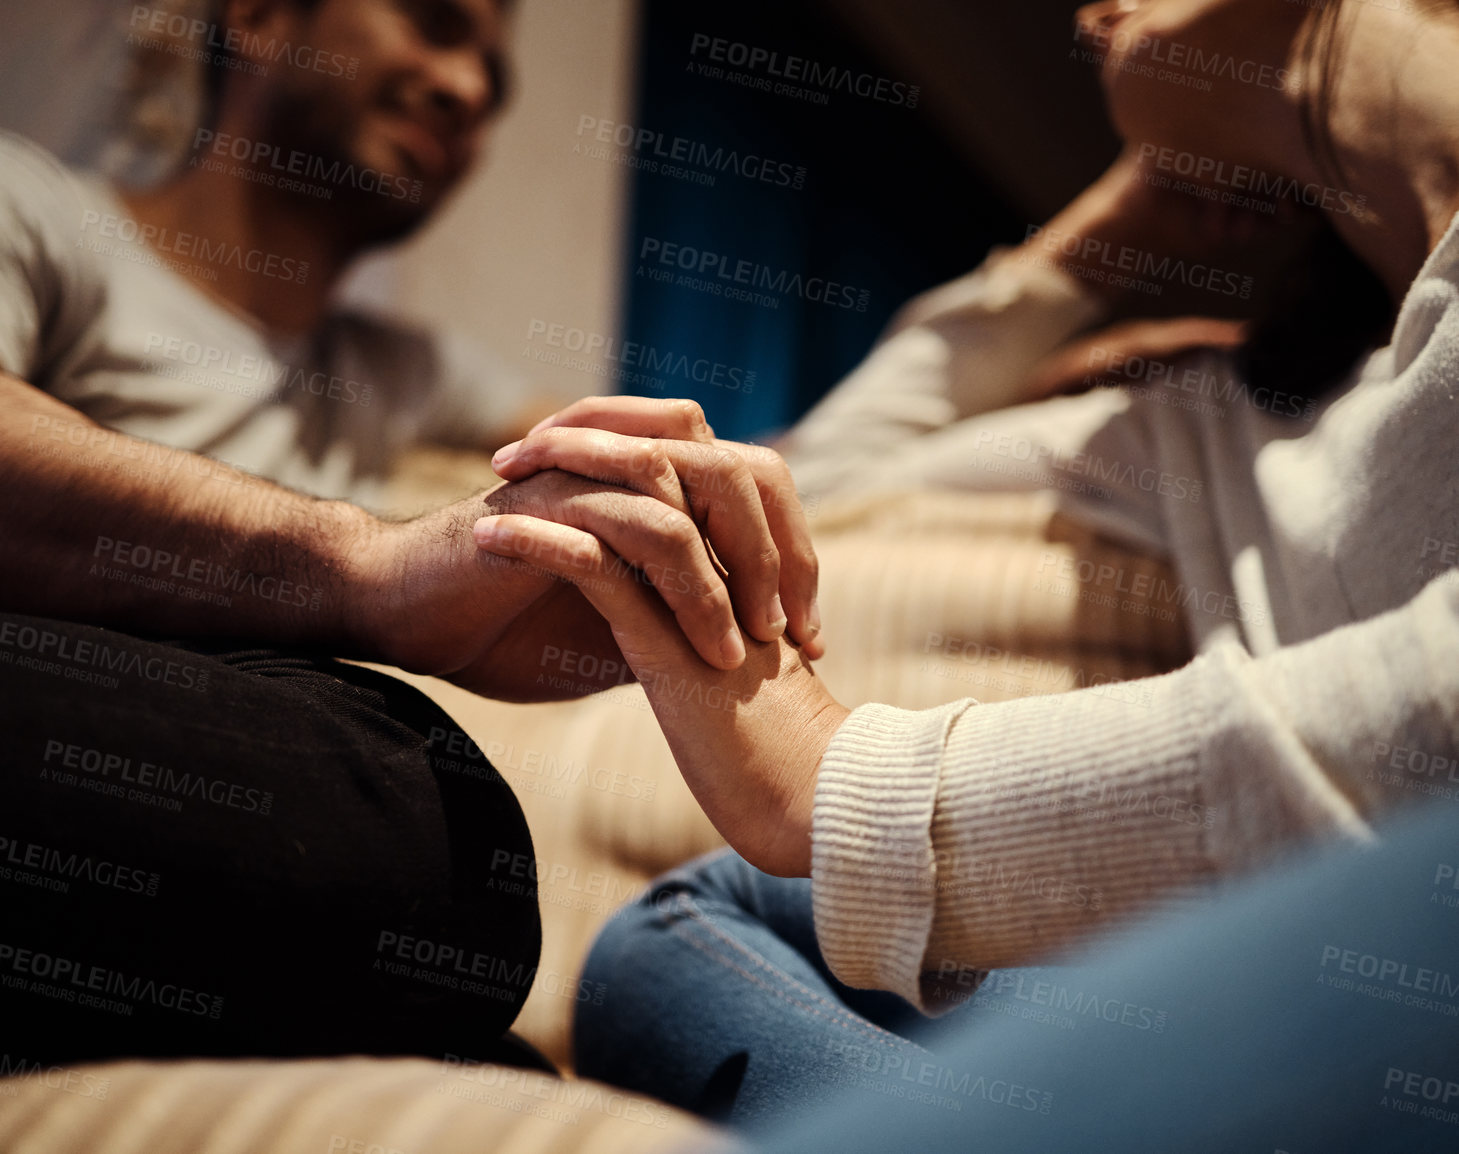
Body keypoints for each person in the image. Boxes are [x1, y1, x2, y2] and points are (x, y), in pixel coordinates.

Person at [0, 0, 825, 1133]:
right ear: (256, 15)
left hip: (178, 867)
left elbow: (772, 466)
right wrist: (366, 568)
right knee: (420, 822)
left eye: (493, 82)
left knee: (473, 950)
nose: (465, 91)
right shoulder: (9, 199)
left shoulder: (390, 372)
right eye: (436, 24)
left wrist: (985, 319)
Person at [467, 0, 1459, 1129]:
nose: (1086, 15)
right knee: (662, 946)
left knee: (677, 936)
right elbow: (818, 485)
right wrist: (1090, 249)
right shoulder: (1241, 420)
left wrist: (845, 780)